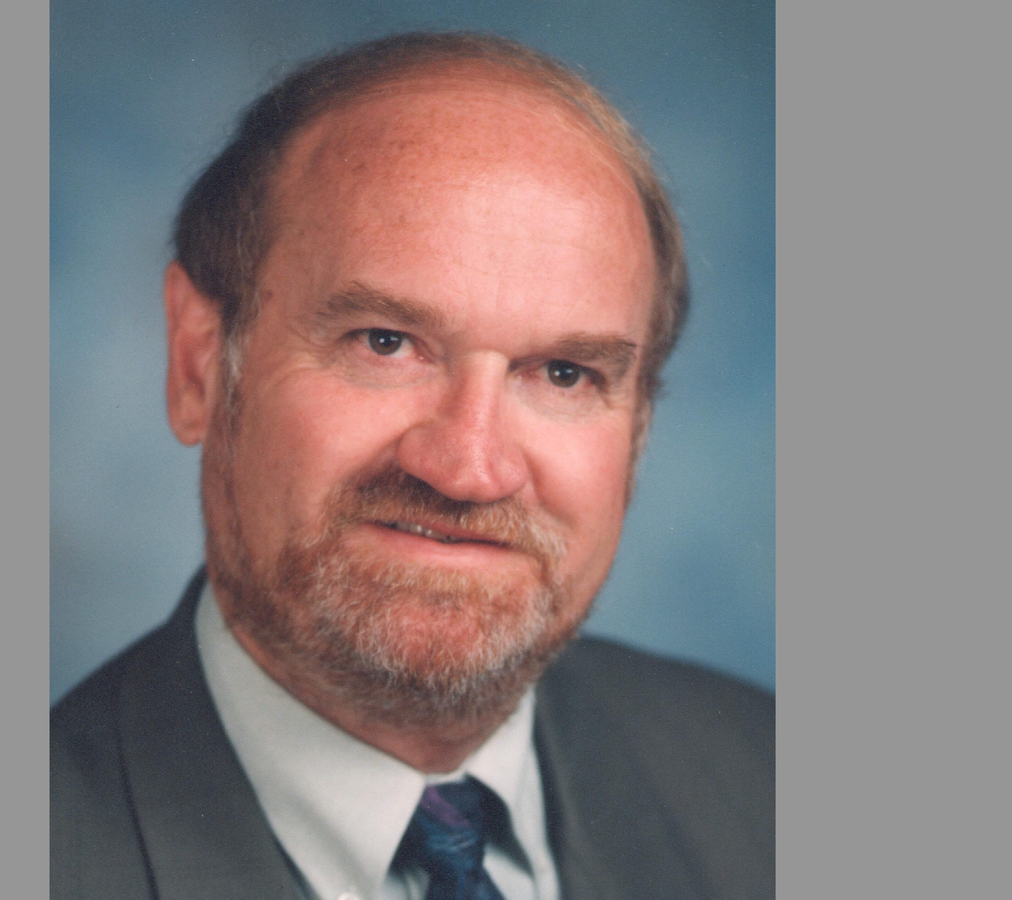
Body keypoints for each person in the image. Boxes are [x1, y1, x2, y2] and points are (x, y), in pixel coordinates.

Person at [50, 31, 774, 900]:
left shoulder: (764, 784)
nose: (468, 468)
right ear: (199, 364)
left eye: (564, 373)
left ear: (641, 421)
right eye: (384, 343)